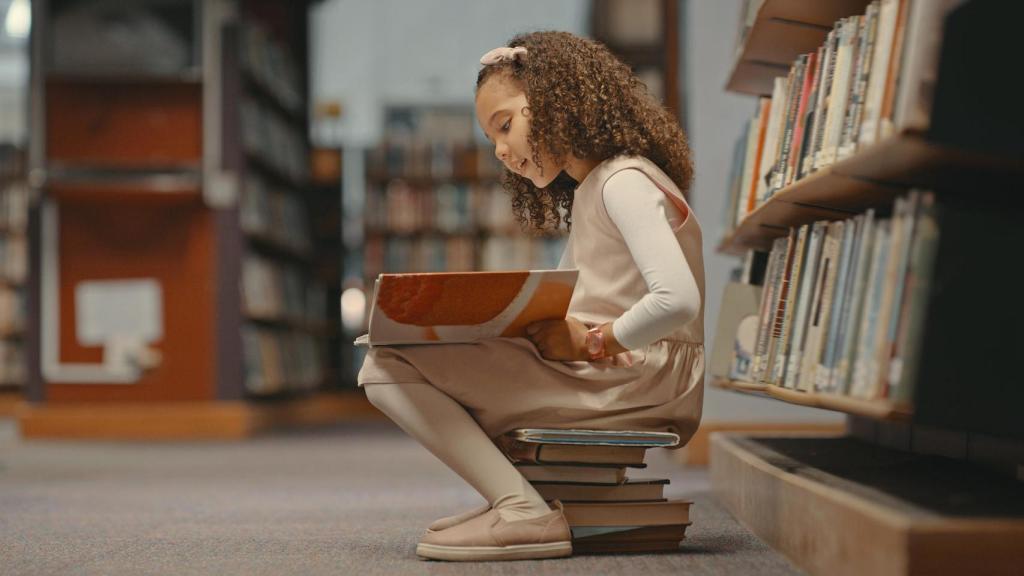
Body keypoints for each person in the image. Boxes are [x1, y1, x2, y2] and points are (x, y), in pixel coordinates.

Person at [359, 30, 705, 562]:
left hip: (636, 371)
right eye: (491, 141)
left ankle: (520, 508)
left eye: (506, 125)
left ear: (557, 100)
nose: (502, 151)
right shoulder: (598, 185)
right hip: (622, 362)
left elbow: (678, 299)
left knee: (386, 367)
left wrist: (593, 342)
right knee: (400, 355)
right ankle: (520, 500)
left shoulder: (623, 182)